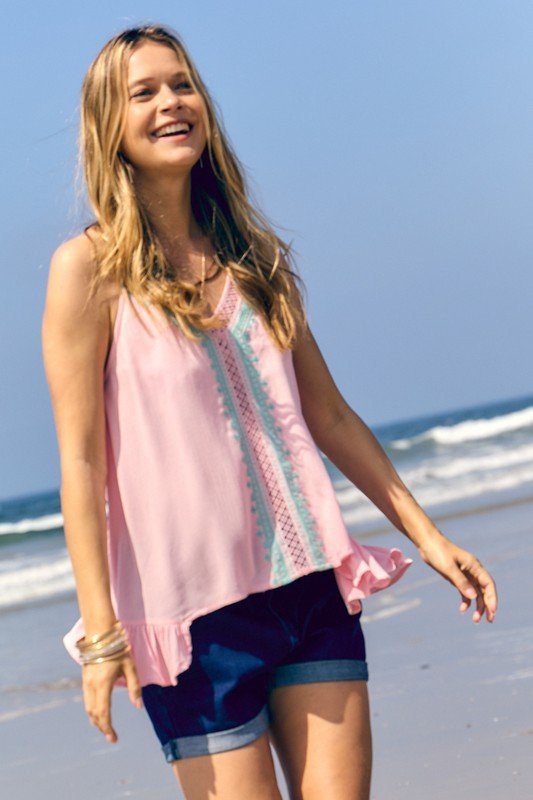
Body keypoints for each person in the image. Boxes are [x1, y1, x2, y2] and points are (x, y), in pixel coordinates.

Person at [41, 23, 498, 800]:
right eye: (142, 92)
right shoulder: (88, 270)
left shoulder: (254, 257)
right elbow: (81, 463)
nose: (170, 103)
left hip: (309, 591)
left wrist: (427, 537)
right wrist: (100, 637)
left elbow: (331, 418)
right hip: (192, 627)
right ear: (107, 127)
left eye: (181, 84)